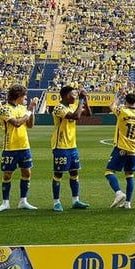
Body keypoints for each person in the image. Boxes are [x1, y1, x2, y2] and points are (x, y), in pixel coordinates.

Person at [0, 83, 40, 212]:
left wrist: (32, 111)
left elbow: (30, 125)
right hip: (10, 147)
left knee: (27, 172)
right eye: (24, 96)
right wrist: (29, 109)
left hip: (24, 146)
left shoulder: (22, 108)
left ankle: (23, 201)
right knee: (8, 174)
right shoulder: (4, 109)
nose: (26, 98)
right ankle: (5, 202)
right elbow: (17, 123)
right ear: (18, 96)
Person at [49, 84, 92, 212]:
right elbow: (76, 116)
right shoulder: (58, 108)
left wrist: (85, 100)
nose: (75, 96)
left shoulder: (73, 106)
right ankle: (56, 202)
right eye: (73, 94)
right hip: (60, 145)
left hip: (72, 145)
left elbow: (88, 114)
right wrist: (81, 100)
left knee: (74, 172)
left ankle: (75, 200)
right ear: (66, 96)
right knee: (58, 174)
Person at [105, 91, 135, 210]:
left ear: (126, 101)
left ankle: (118, 192)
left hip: (121, 147)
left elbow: (111, 106)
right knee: (129, 175)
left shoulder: (122, 111)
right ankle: (128, 203)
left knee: (109, 172)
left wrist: (118, 97)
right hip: (133, 148)